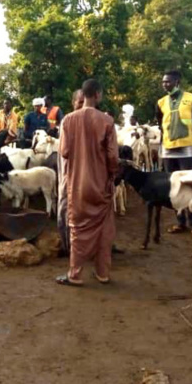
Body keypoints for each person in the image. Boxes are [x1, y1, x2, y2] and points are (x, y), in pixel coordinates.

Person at [56, 79, 118, 287]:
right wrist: (112, 177)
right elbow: (112, 158)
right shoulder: (107, 121)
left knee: (77, 229)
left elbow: (64, 152)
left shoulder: (67, 121)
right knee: (104, 228)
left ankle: (75, 274)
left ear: (82, 95)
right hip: (101, 184)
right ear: (98, 95)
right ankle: (103, 273)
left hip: (77, 184)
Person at [156, 70, 192, 233]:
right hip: (168, 151)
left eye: (168, 81)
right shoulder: (161, 102)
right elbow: (160, 124)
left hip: (187, 151)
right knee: (174, 187)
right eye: (163, 82)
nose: (165, 84)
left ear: (177, 82)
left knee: (190, 186)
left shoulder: (191, 99)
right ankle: (180, 222)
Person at [57, 88, 85, 256]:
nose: (82, 106)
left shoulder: (91, 120)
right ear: (73, 103)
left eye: (85, 102)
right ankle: (65, 245)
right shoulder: (68, 121)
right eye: (79, 102)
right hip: (69, 172)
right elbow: (66, 151)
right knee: (65, 207)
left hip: (84, 175)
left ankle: (81, 247)